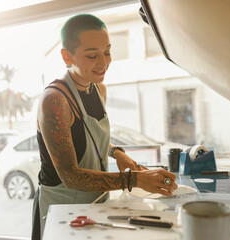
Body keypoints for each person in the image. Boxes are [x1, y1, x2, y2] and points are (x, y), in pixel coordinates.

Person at [32, 13, 178, 239]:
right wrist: (135, 180)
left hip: (95, 202)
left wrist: (115, 152)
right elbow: (71, 177)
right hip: (60, 208)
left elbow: (89, 138)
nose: (103, 63)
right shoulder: (55, 101)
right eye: (91, 55)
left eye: (107, 52)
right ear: (66, 57)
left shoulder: (98, 90)